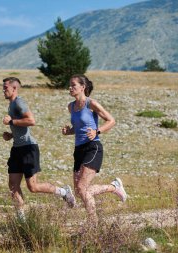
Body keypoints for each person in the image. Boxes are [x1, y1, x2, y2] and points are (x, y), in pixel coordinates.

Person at [2, 77, 75, 219]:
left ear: (14, 88)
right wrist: (11, 135)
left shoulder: (19, 102)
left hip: (28, 148)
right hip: (17, 148)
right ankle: (21, 221)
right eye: (3, 87)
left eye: (6, 87)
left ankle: (64, 192)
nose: (3, 90)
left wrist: (11, 121)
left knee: (33, 187)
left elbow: (31, 120)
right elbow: (21, 126)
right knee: (13, 185)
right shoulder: (11, 105)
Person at [61, 74, 127, 224]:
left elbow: (111, 121)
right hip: (78, 150)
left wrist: (97, 131)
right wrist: (69, 131)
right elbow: (79, 128)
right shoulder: (70, 107)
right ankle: (113, 187)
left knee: (82, 187)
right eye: (69, 85)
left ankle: (93, 224)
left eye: (73, 85)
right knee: (79, 191)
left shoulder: (91, 104)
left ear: (82, 87)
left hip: (93, 147)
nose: (70, 88)